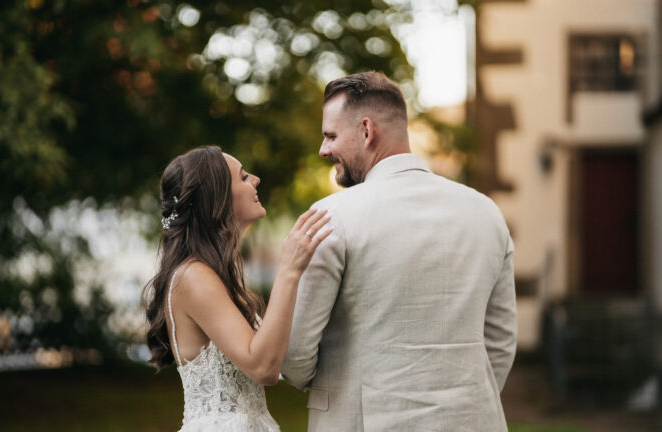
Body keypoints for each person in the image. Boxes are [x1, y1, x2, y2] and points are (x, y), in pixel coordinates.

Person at [281, 71, 517, 431]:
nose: (323, 149)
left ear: (366, 130)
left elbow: (296, 356)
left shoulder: (330, 219)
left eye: (330, 136)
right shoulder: (486, 212)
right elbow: (500, 342)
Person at [143, 146, 331, 431]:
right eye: (243, 177)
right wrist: (289, 269)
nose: (255, 179)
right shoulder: (193, 276)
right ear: (216, 199)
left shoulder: (216, 274)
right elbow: (263, 367)